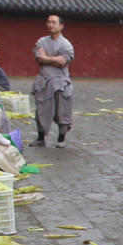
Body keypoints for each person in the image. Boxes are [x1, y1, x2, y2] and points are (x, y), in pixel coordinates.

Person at [30, 13, 74, 147]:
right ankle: (40, 137)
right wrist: (52, 59)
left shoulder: (66, 45)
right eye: (49, 22)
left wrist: (46, 58)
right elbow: (39, 58)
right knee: (41, 109)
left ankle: (61, 138)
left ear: (61, 26)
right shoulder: (41, 41)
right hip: (44, 81)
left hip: (60, 82)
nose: (51, 25)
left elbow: (62, 62)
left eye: (54, 22)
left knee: (62, 111)